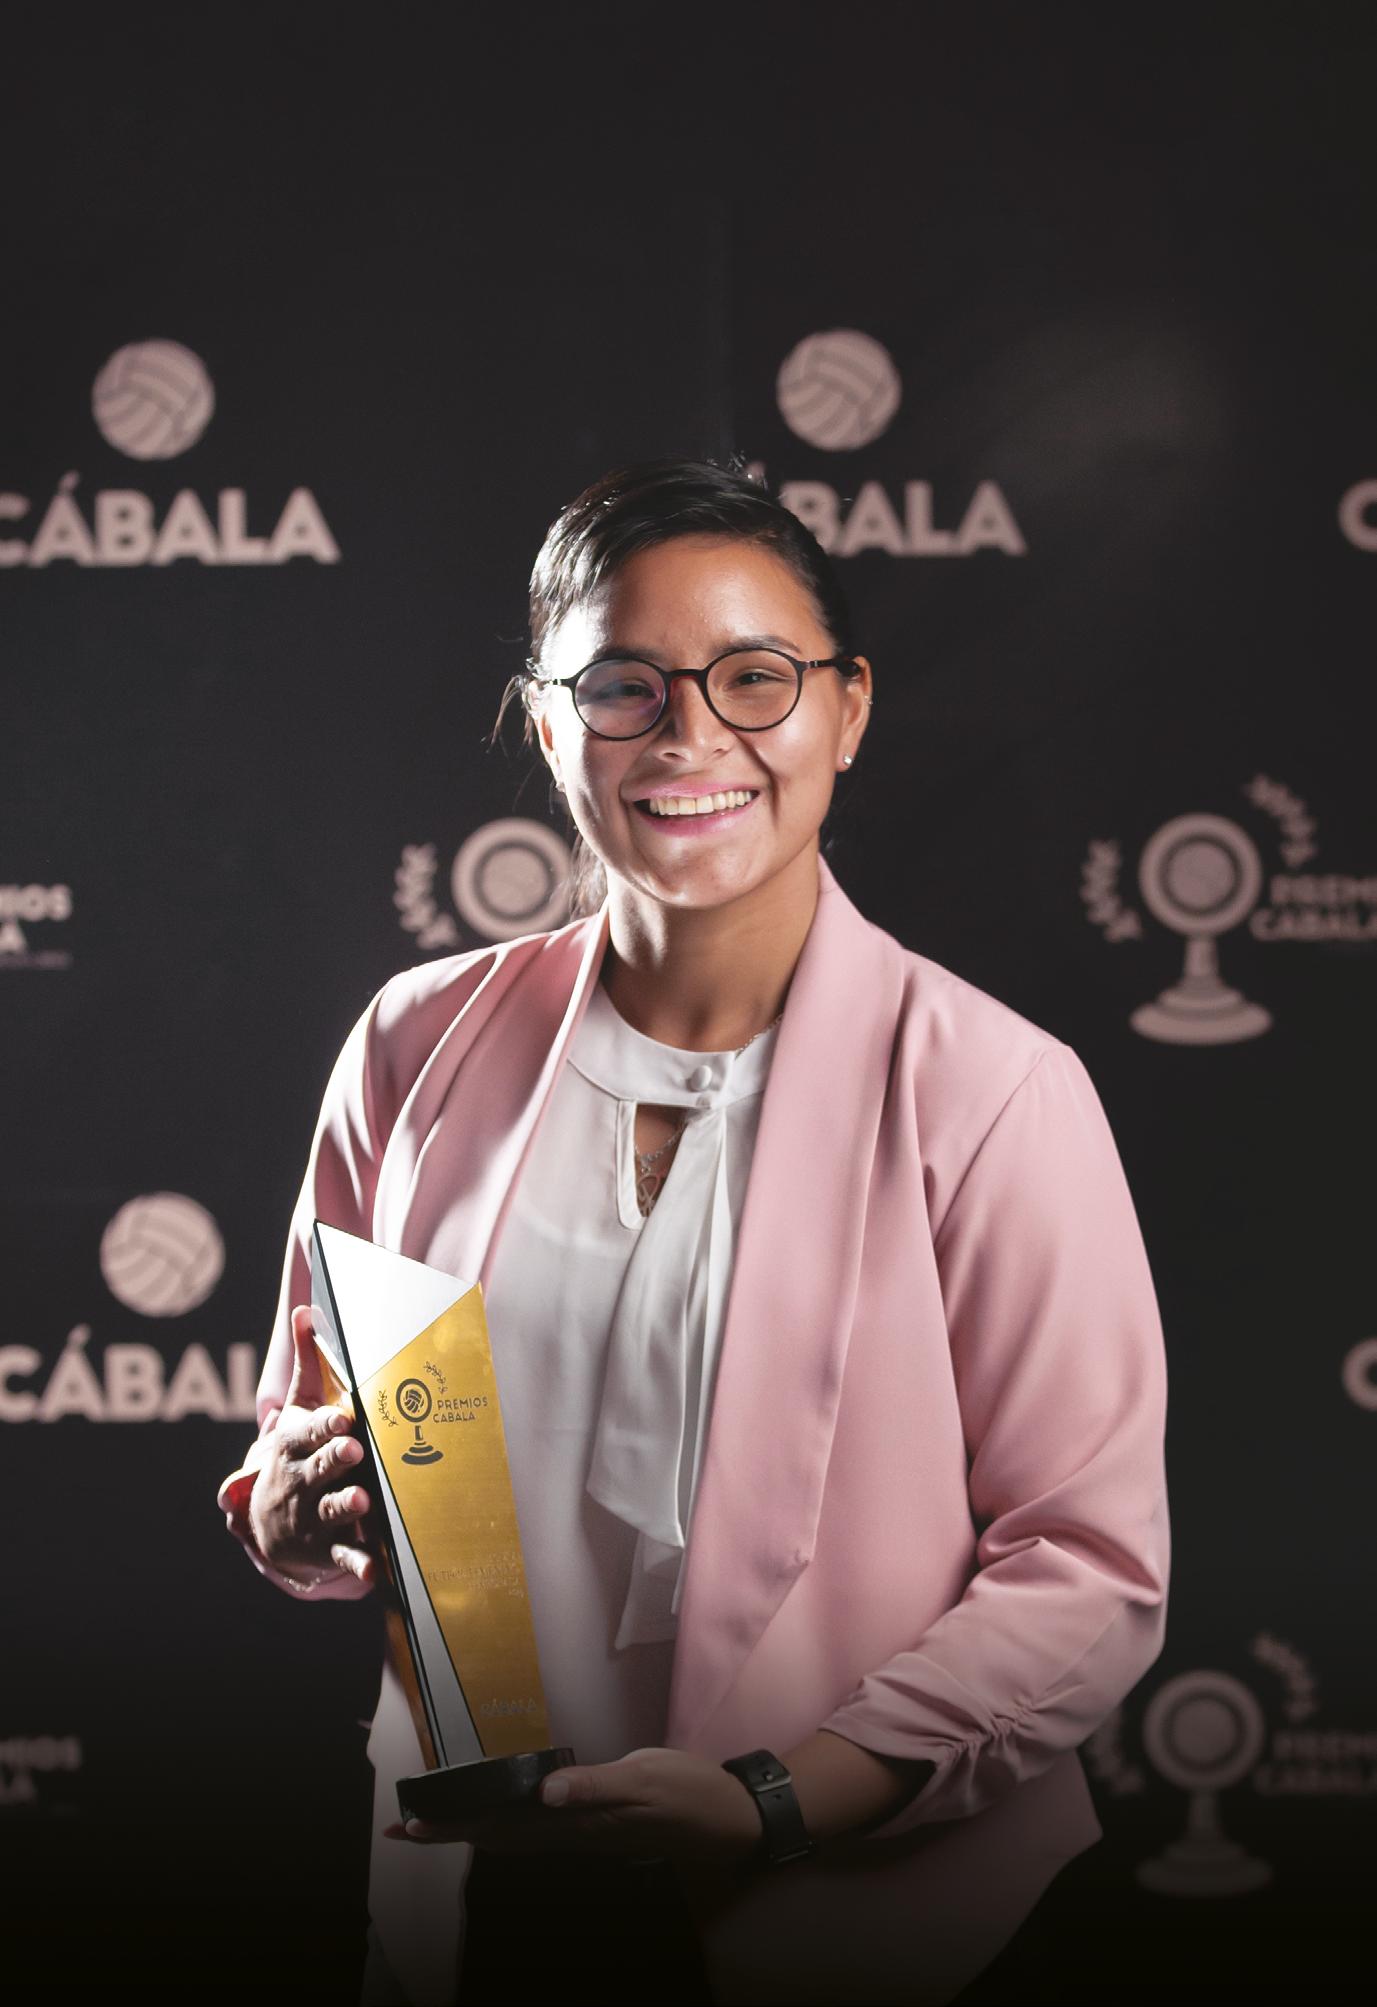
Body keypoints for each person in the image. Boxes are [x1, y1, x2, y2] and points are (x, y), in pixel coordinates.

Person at [218, 459, 1170, 2007]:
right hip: (477, 1907)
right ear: (548, 725)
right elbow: (304, 1425)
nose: (689, 737)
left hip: (863, 1924)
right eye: (623, 688)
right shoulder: (414, 1043)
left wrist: (778, 1799)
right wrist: (289, 1506)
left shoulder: (992, 1089)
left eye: (754, 678)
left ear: (846, 711)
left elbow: (1086, 1566)